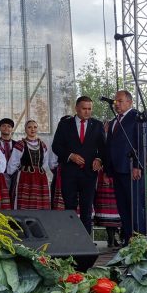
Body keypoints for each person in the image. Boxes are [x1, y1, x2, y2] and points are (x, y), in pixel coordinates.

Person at [52, 96, 105, 234]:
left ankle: (86, 240)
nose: (87, 112)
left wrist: (99, 159)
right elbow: (56, 146)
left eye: (89, 109)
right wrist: (70, 156)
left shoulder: (98, 125)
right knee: (70, 207)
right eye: (84, 108)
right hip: (69, 173)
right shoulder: (64, 124)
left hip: (89, 174)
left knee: (87, 208)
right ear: (76, 108)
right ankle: (71, 238)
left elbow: (104, 148)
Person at [105, 90, 147, 245]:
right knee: (123, 207)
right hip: (117, 170)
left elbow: (141, 144)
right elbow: (109, 146)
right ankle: (129, 239)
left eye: (120, 101)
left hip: (131, 169)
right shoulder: (113, 121)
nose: (116, 103)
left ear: (130, 102)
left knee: (135, 206)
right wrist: (107, 170)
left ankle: (140, 240)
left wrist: (138, 165)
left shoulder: (137, 118)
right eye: (115, 101)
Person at [7, 120, 50, 210]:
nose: (32, 129)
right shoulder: (20, 144)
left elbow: (45, 162)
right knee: (24, 202)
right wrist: (14, 176)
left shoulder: (42, 145)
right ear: (25, 129)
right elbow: (13, 162)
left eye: (35, 127)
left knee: (39, 202)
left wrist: (41, 171)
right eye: (29, 127)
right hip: (25, 177)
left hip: (40, 178)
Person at [94, 120, 121, 247]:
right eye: (106, 126)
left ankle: (115, 237)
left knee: (116, 209)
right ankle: (110, 238)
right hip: (104, 174)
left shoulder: (116, 139)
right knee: (107, 208)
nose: (108, 128)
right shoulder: (100, 139)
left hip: (116, 175)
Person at [0, 118, 17, 190]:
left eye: (9, 126)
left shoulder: (17, 144)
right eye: (4, 126)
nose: (6, 128)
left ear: (12, 129)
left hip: (15, 174)